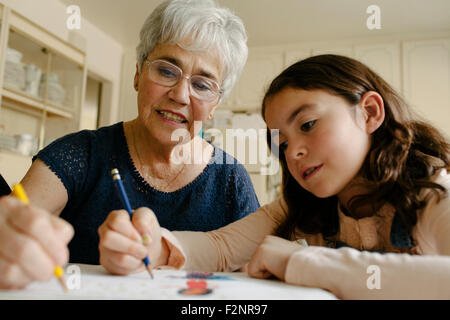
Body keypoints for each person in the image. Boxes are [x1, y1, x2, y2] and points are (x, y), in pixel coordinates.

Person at [130, 54, 450, 299]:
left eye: (308, 124)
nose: (293, 153)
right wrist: (148, 246)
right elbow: (220, 247)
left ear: (369, 112)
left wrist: (301, 262)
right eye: (281, 145)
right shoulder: (299, 205)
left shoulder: (432, 190)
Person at [0, 0, 259, 288]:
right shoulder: (77, 154)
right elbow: (13, 221)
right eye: (166, 71)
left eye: (202, 85)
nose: (181, 95)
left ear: (215, 105)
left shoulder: (231, 180)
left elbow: (258, 275)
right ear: (138, 75)